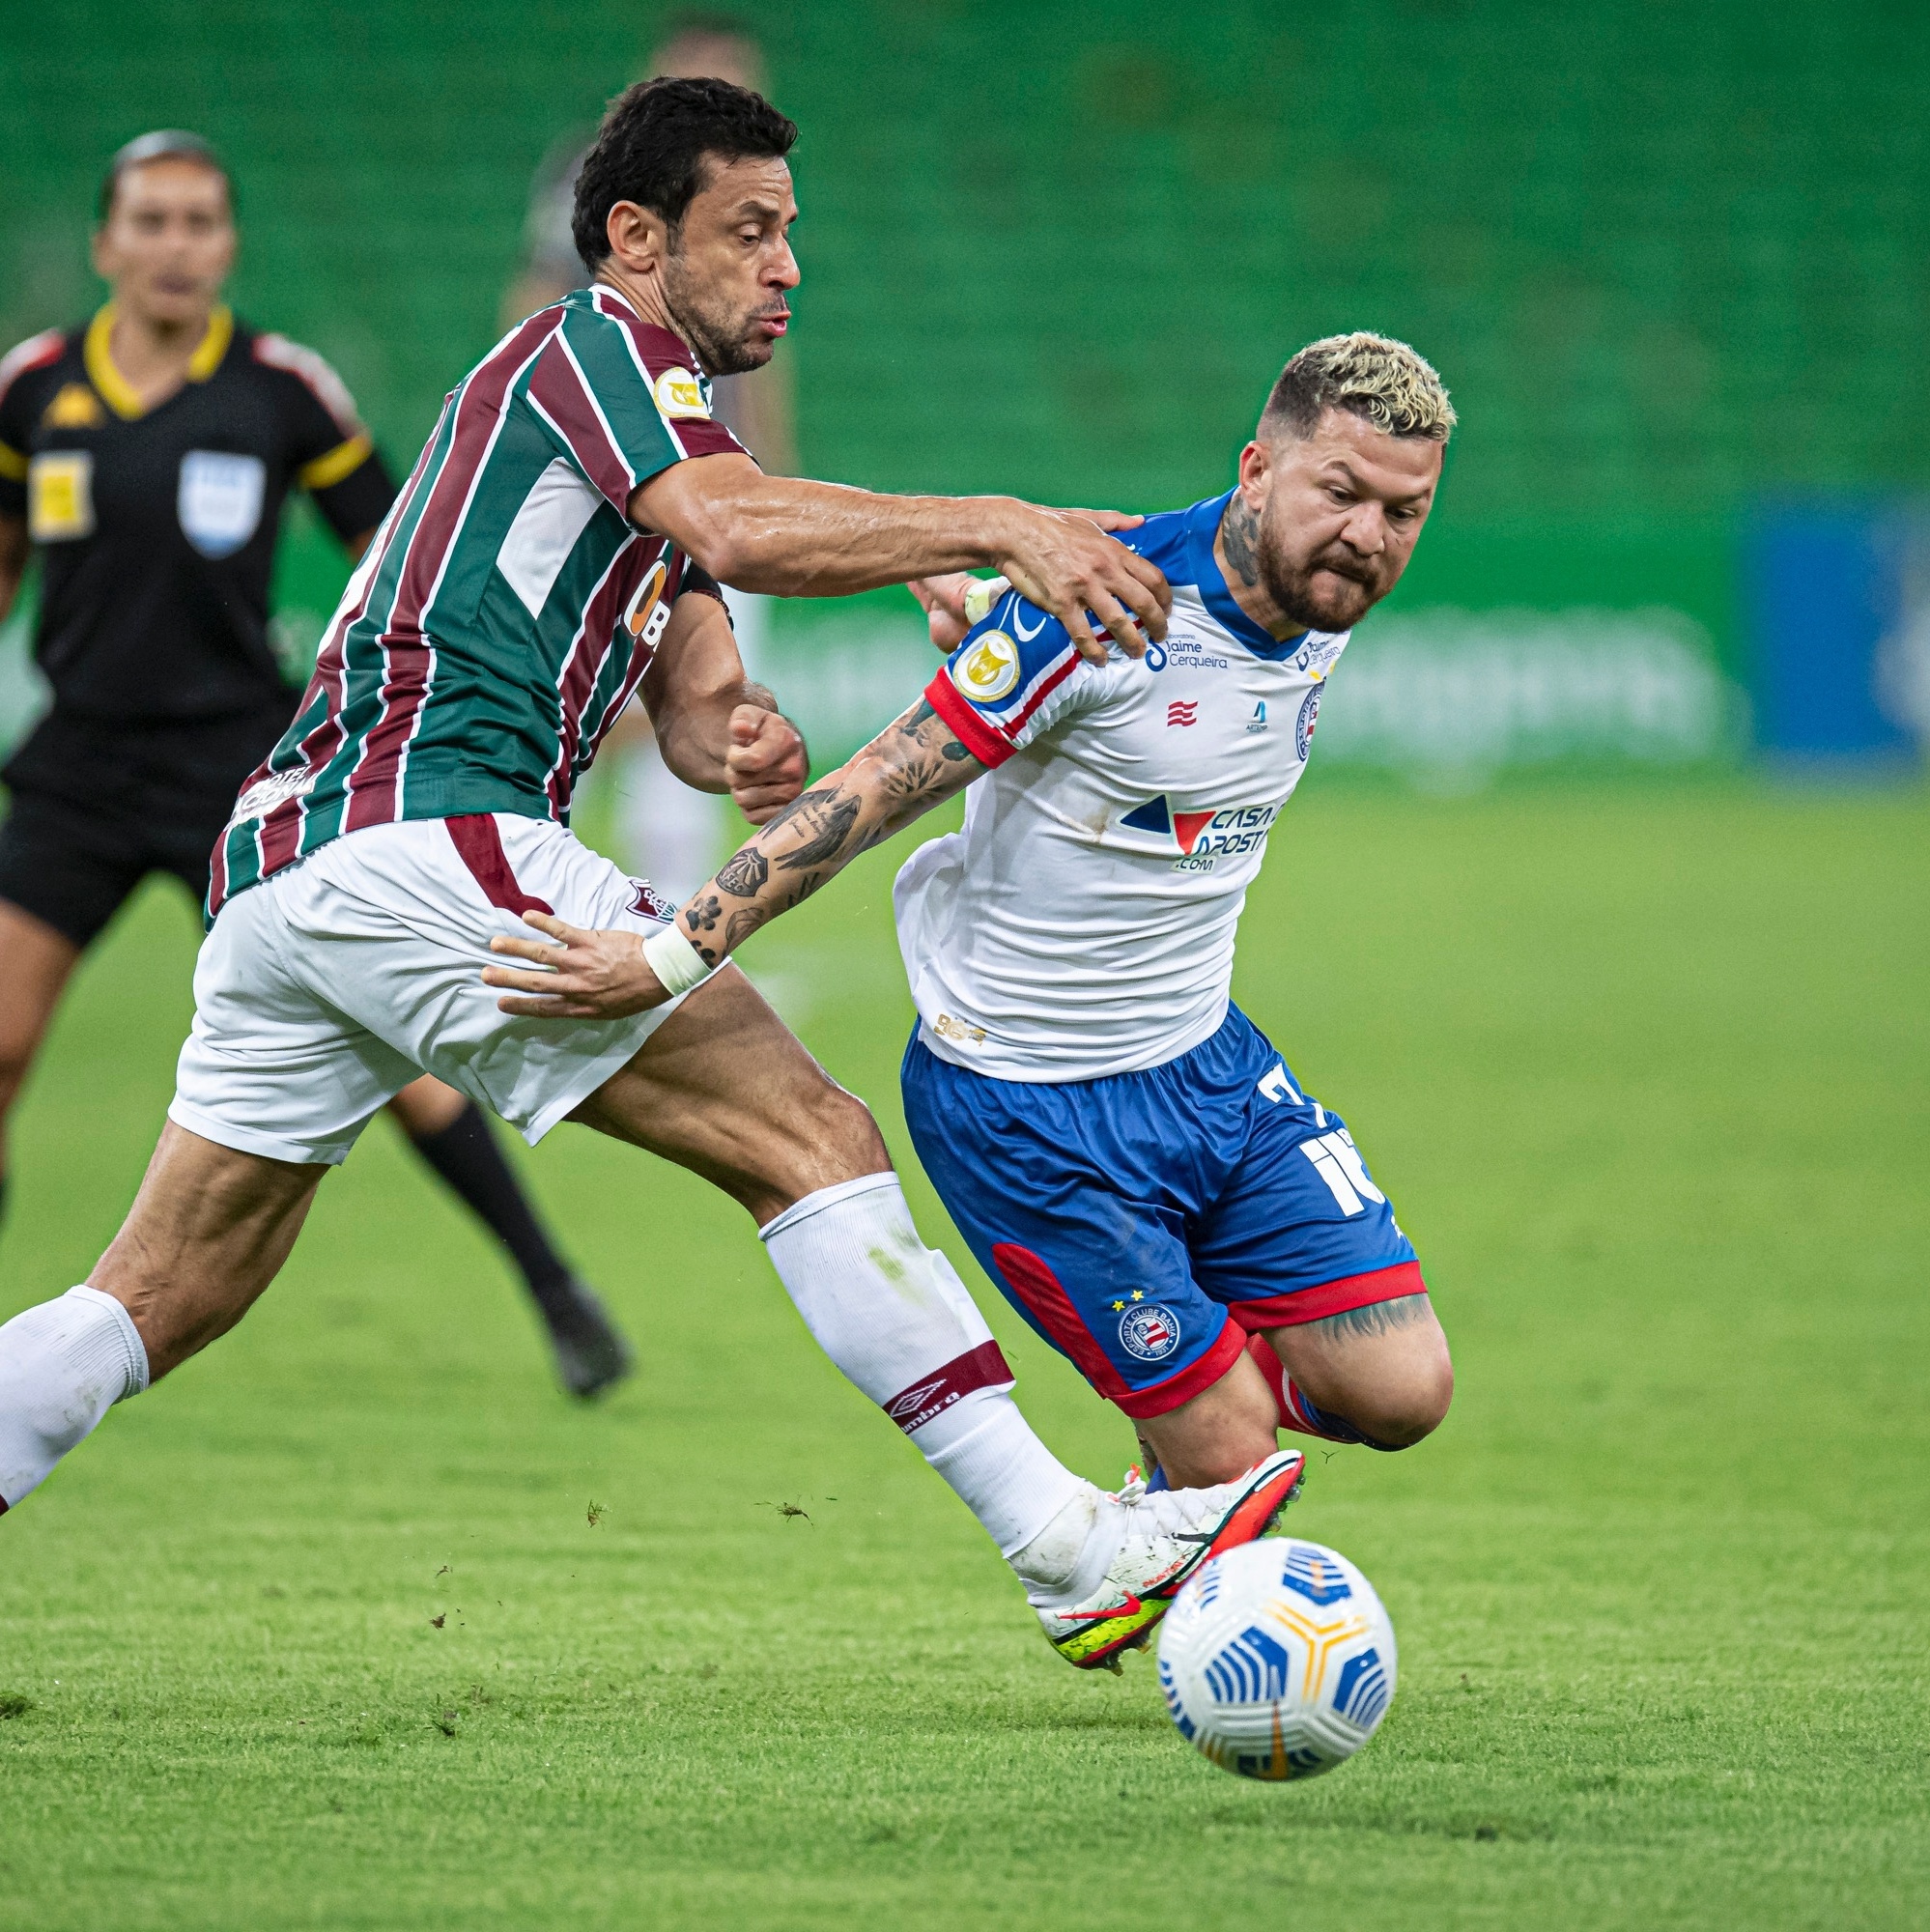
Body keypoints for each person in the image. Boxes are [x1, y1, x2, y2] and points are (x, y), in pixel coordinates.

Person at [0, 79, 1304, 1677]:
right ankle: (1065, 1545)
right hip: (421, 830)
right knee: (806, 1134)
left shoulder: (668, 420)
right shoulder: (589, 348)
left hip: (296, 868)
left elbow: (691, 687)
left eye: (791, 234)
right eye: (749, 231)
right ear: (635, 236)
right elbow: (733, 532)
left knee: (168, 1287)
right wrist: (1003, 526)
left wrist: (733, 738)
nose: (786, 268)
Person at [501, 334, 1459, 1548]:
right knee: (1232, 1460)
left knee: (1403, 1391)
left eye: (1403, 510)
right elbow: (879, 787)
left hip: (1208, 1067)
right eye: (1342, 493)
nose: (1369, 536)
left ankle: (1195, 1387)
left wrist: (967, 603)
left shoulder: (1320, 591)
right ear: (1258, 469)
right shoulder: (1110, 604)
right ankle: (1191, 1453)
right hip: (1028, 1104)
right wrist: (665, 956)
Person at [0, 131, 633, 1398]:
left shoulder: (283, 389)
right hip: (72, 769)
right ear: (106, 244)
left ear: (227, 244)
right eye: (152, 223)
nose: (175, 247)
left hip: (239, 773)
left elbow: (398, 554)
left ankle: (554, 1288)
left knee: (390, 1063)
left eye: (198, 224)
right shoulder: (32, 390)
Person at [508, 13, 792, 897]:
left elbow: (773, 350)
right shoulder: (599, 181)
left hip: (713, 466)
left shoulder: (750, 198)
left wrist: (766, 474)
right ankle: (548, 888)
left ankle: (667, 925)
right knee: (592, 701)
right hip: (627, 474)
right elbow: (538, 300)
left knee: (711, 705)